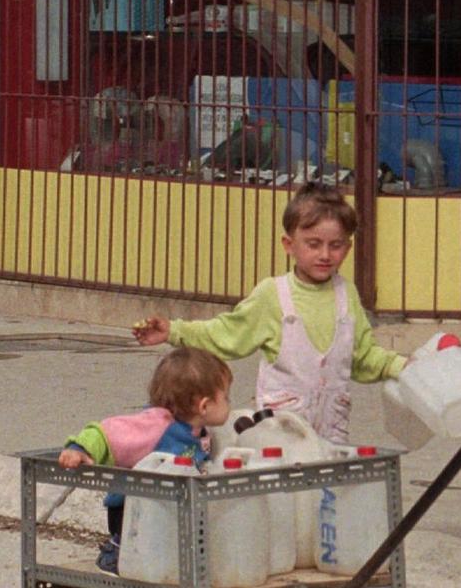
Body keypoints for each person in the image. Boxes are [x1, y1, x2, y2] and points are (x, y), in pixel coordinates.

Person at [132, 184, 408, 443]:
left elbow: (363, 358)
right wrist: (175, 331)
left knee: (326, 495)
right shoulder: (273, 295)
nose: (325, 254)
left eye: (335, 245)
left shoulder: (347, 295)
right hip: (280, 438)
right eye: (313, 244)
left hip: (331, 438)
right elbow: (227, 334)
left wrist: (403, 367)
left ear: (347, 248)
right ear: (289, 245)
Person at [59, 346, 233, 574]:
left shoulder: (198, 430)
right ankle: (115, 555)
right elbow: (107, 432)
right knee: (139, 551)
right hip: (133, 510)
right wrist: (79, 448)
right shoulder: (155, 425)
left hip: (167, 507)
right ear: (204, 405)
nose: (230, 404)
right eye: (226, 397)